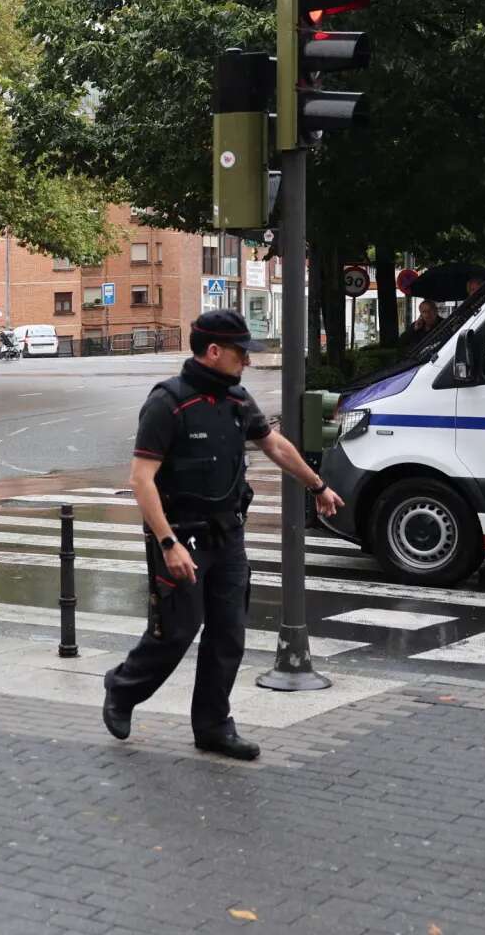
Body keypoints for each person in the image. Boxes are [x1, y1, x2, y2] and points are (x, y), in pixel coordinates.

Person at [102, 309, 343, 761]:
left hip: (227, 535)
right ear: (213, 352)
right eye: (239, 354)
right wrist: (167, 542)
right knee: (176, 632)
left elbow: (274, 445)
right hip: (180, 537)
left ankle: (213, 726)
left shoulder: (236, 399)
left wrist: (318, 486)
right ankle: (122, 688)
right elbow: (141, 479)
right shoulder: (168, 402)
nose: (246, 362)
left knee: (228, 633)